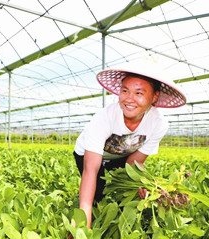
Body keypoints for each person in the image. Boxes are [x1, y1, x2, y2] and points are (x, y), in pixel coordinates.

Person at [73, 63, 186, 229]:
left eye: (139, 93)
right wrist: (83, 221)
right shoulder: (105, 117)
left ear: (154, 97)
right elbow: (90, 170)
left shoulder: (158, 123)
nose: (129, 99)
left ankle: (119, 222)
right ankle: (90, 216)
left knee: (123, 194)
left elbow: (134, 163)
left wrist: (142, 182)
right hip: (86, 154)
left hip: (121, 156)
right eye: (125, 91)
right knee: (96, 192)